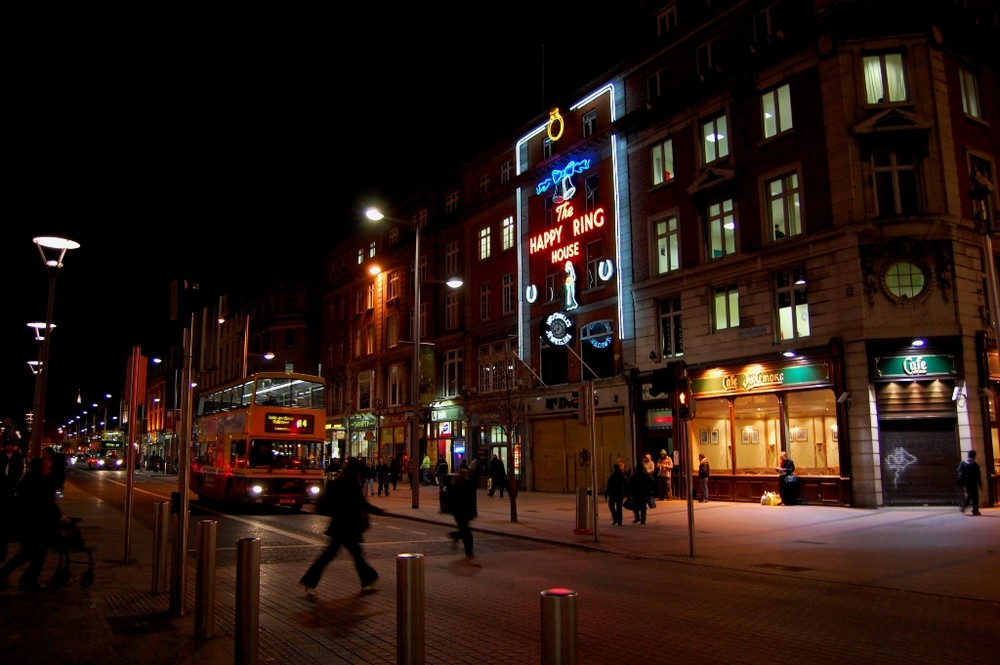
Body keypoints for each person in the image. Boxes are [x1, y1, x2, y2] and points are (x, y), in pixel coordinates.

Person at [299, 457, 384, 594]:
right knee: (350, 554)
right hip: (348, 525)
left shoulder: (340, 482)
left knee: (343, 554)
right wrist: (378, 511)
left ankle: (310, 580)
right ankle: (367, 579)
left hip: (340, 524)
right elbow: (361, 503)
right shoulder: (352, 484)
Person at [0, 447, 64, 591]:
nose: (49, 467)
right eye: (46, 465)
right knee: (34, 553)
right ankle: (27, 580)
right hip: (32, 525)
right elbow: (45, 503)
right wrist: (61, 517)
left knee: (33, 553)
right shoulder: (38, 482)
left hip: (30, 524)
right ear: (40, 468)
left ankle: (28, 579)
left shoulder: (33, 479)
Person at [1, 438, 26, 562]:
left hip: (11, 483)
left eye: (11, 445)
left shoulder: (17, 457)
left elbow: (20, 470)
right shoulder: (2, 456)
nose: (9, 447)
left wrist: (15, 479)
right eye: (8, 445)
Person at [446, 466, 478, 559]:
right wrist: (474, 511)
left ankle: (457, 537)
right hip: (465, 511)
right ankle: (468, 550)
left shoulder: (455, 483)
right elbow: (472, 499)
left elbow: (450, 497)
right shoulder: (468, 484)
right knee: (466, 531)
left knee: (465, 530)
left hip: (458, 511)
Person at [958, 450, 983, 516]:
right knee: (975, 496)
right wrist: (980, 483)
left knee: (970, 494)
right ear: (974, 456)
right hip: (973, 482)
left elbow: (958, 470)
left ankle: (965, 505)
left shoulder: (963, 463)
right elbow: (978, 475)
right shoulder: (975, 465)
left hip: (966, 482)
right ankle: (975, 510)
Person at [604, 462, 627, 527]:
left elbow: (609, 485)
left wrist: (606, 493)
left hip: (613, 494)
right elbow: (625, 483)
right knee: (618, 507)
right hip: (619, 493)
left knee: (612, 506)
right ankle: (619, 520)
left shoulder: (613, 476)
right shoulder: (621, 475)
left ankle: (616, 519)